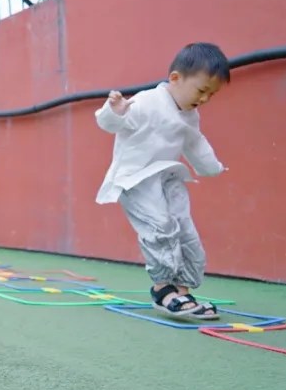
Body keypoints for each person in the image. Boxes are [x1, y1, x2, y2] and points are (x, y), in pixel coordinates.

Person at [95, 42, 230, 320]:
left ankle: (181, 290)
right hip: (136, 180)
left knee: (184, 230)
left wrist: (212, 167)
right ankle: (163, 289)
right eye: (201, 91)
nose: (204, 99)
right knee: (160, 227)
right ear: (175, 79)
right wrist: (116, 111)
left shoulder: (189, 114)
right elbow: (110, 124)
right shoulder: (146, 101)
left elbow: (195, 142)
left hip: (166, 177)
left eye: (211, 95)